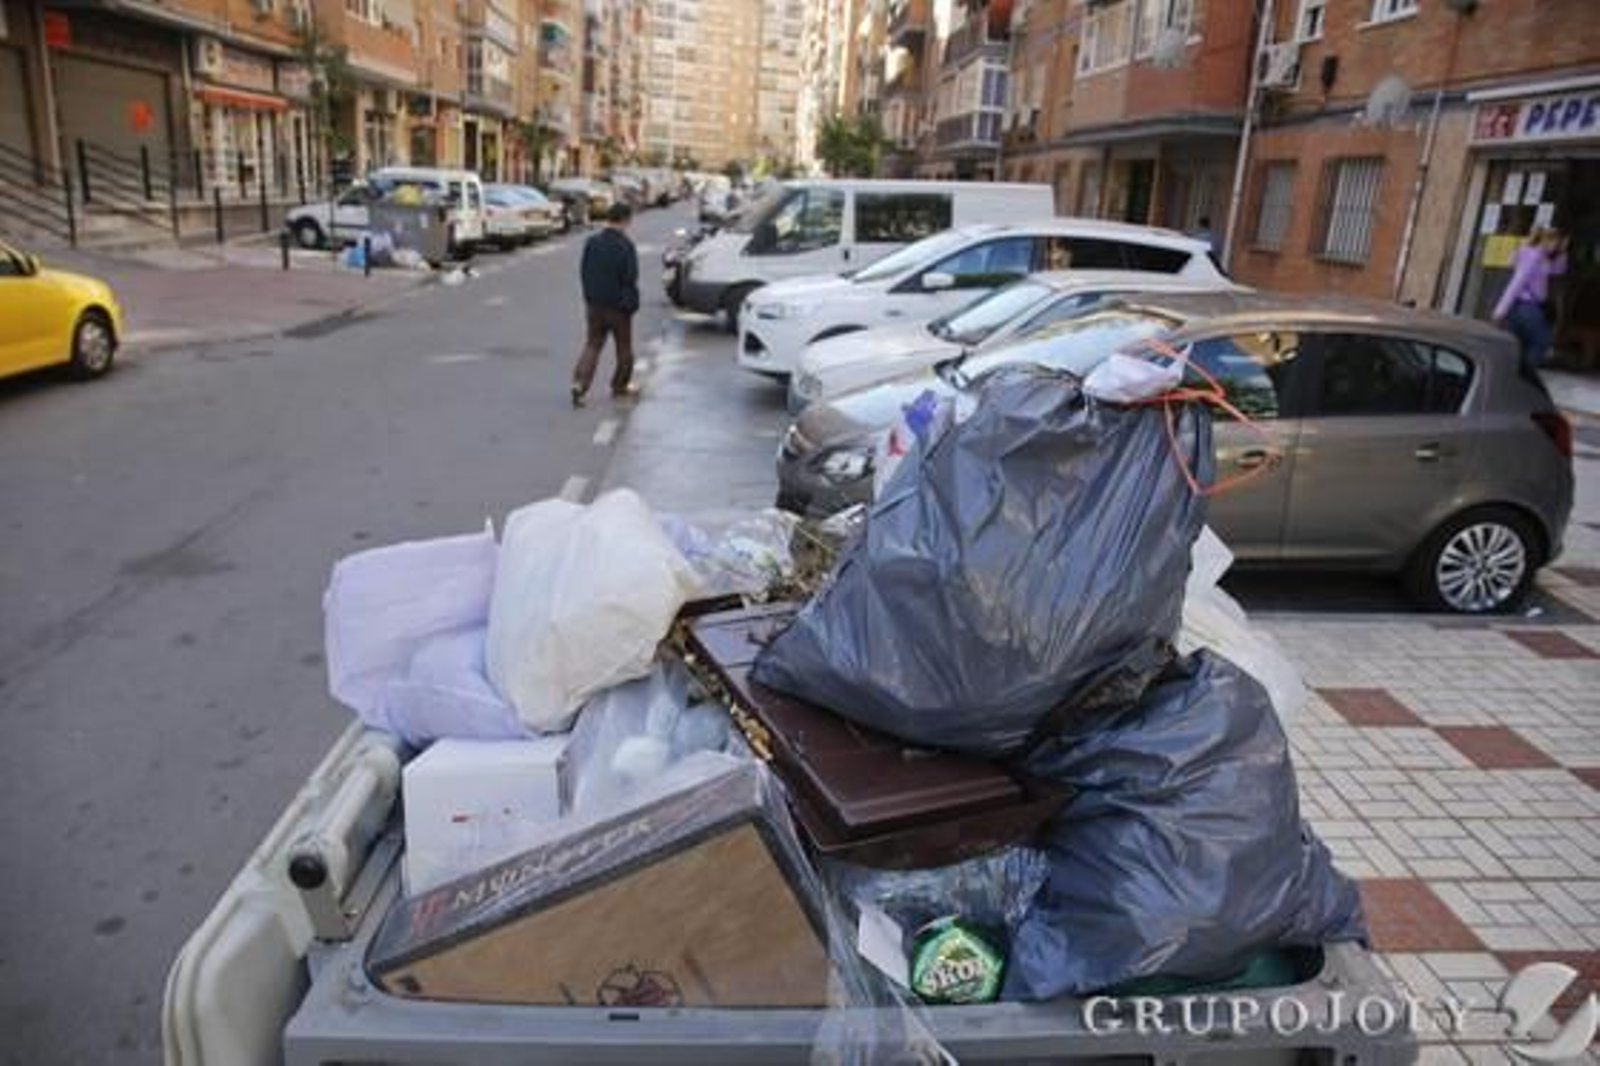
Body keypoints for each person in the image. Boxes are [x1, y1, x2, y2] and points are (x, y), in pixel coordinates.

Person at [571, 203, 640, 407]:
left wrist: (590, 296)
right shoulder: (626, 246)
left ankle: (579, 384)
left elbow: (584, 271)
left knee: (593, 344)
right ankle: (619, 386)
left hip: (595, 305)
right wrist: (630, 301)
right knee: (624, 348)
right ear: (626, 220)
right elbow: (630, 277)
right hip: (619, 307)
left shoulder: (592, 242)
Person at [1493, 226, 1568, 371]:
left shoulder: (1541, 257)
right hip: (1527, 307)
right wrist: (1500, 310)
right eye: (1556, 242)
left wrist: (1563, 253)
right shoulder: (1534, 257)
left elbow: (1558, 269)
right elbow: (1517, 282)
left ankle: (1513, 372)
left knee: (1518, 345)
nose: (1556, 246)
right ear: (1546, 240)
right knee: (1541, 343)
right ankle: (1524, 373)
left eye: (1558, 243)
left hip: (1524, 307)